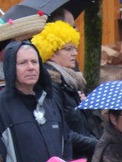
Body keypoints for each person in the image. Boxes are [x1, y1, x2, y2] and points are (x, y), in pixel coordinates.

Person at [30, 20, 99, 152]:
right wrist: (98, 145)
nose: (75, 53)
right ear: (52, 53)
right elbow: (61, 131)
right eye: (68, 49)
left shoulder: (72, 80)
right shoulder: (50, 84)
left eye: (74, 48)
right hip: (72, 157)